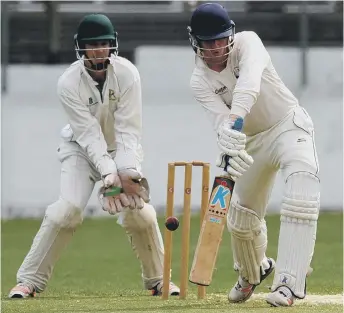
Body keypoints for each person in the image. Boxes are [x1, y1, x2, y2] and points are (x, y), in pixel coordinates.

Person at [8, 13, 179, 299]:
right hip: (79, 149)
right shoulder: (68, 83)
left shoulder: (127, 74)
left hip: (121, 149)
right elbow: (88, 134)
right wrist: (107, 174)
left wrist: (125, 171)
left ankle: (159, 280)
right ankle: (28, 281)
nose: (99, 50)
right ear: (81, 48)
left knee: (139, 212)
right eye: (92, 44)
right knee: (66, 211)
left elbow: (128, 131)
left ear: (113, 45)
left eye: (103, 43)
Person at [187, 3, 319, 307]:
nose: (218, 47)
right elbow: (218, 120)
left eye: (222, 38)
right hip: (251, 143)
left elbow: (249, 85)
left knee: (302, 183)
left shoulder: (248, 42)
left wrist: (233, 123)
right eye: (210, 42)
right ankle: (252, 273)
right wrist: (228, 140)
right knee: (243, 221)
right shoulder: (199, 81)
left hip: (287, 125)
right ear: (197, 43)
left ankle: (288, 283)